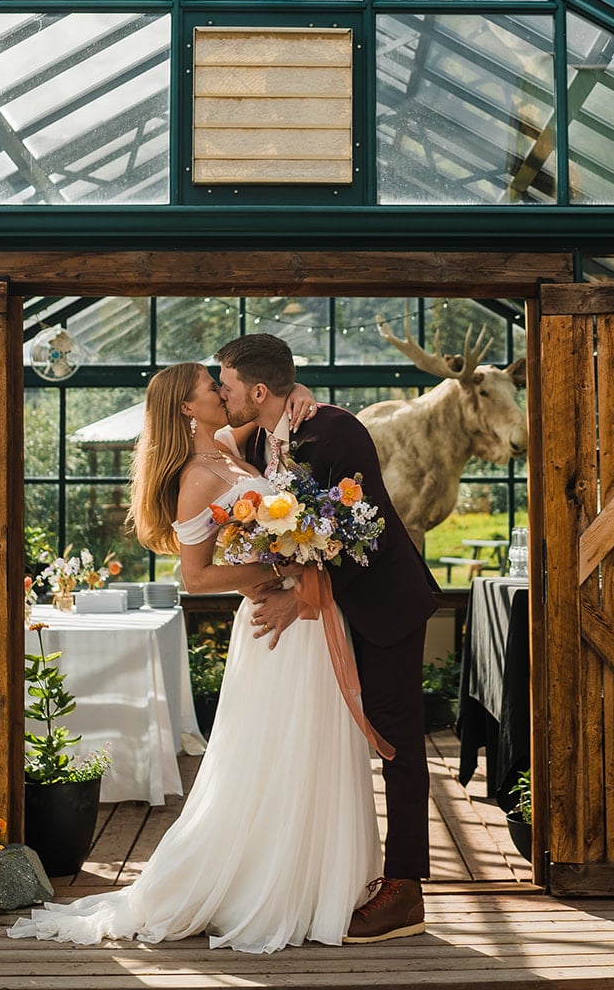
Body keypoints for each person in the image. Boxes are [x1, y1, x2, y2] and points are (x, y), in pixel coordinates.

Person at [8, 362, 383, 953]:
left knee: (314, 746)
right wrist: (284, 565)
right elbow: (196, 575)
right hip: (270, 627)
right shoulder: (196, 477)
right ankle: (266, 884)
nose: (221, 390)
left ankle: (321, 882)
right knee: (271, 756)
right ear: (188, 408)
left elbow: (273, 408)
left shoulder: (234, 447)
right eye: (212, 387)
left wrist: (299, 393)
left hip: (306, 618)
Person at [216, 333, 439, 945]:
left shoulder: (337, 432)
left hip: (383, 607)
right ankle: (324, 874)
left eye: (227, 385)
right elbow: (206, 447)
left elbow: (362, 537)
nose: (221, 394)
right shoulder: (261, 437)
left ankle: (406, 889)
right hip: (331, 617)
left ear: (258, 390)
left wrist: (302, 596)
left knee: (397, 743)